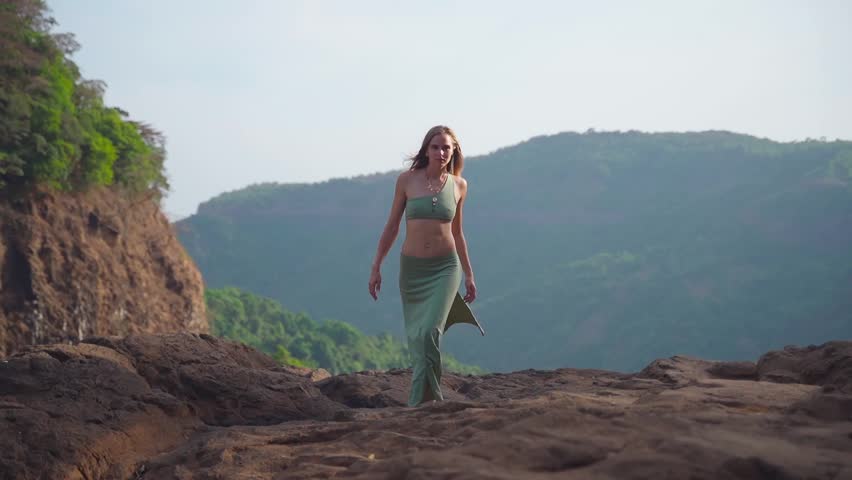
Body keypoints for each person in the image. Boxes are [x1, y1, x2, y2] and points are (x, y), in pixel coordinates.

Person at [369, 125, 484, 407]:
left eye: (447, 147)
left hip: (446, 268)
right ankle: (428, 401)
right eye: (436, 147)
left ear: (454, 150)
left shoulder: (459, 185)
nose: (441, 152)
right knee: (418, 335)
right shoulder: (407, 181)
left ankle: (424, 402)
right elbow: (392, 225)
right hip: (413, 271)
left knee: (431, 331)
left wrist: (469, 274)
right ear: (426, 149)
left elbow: (457, 233)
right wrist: (376, 266)